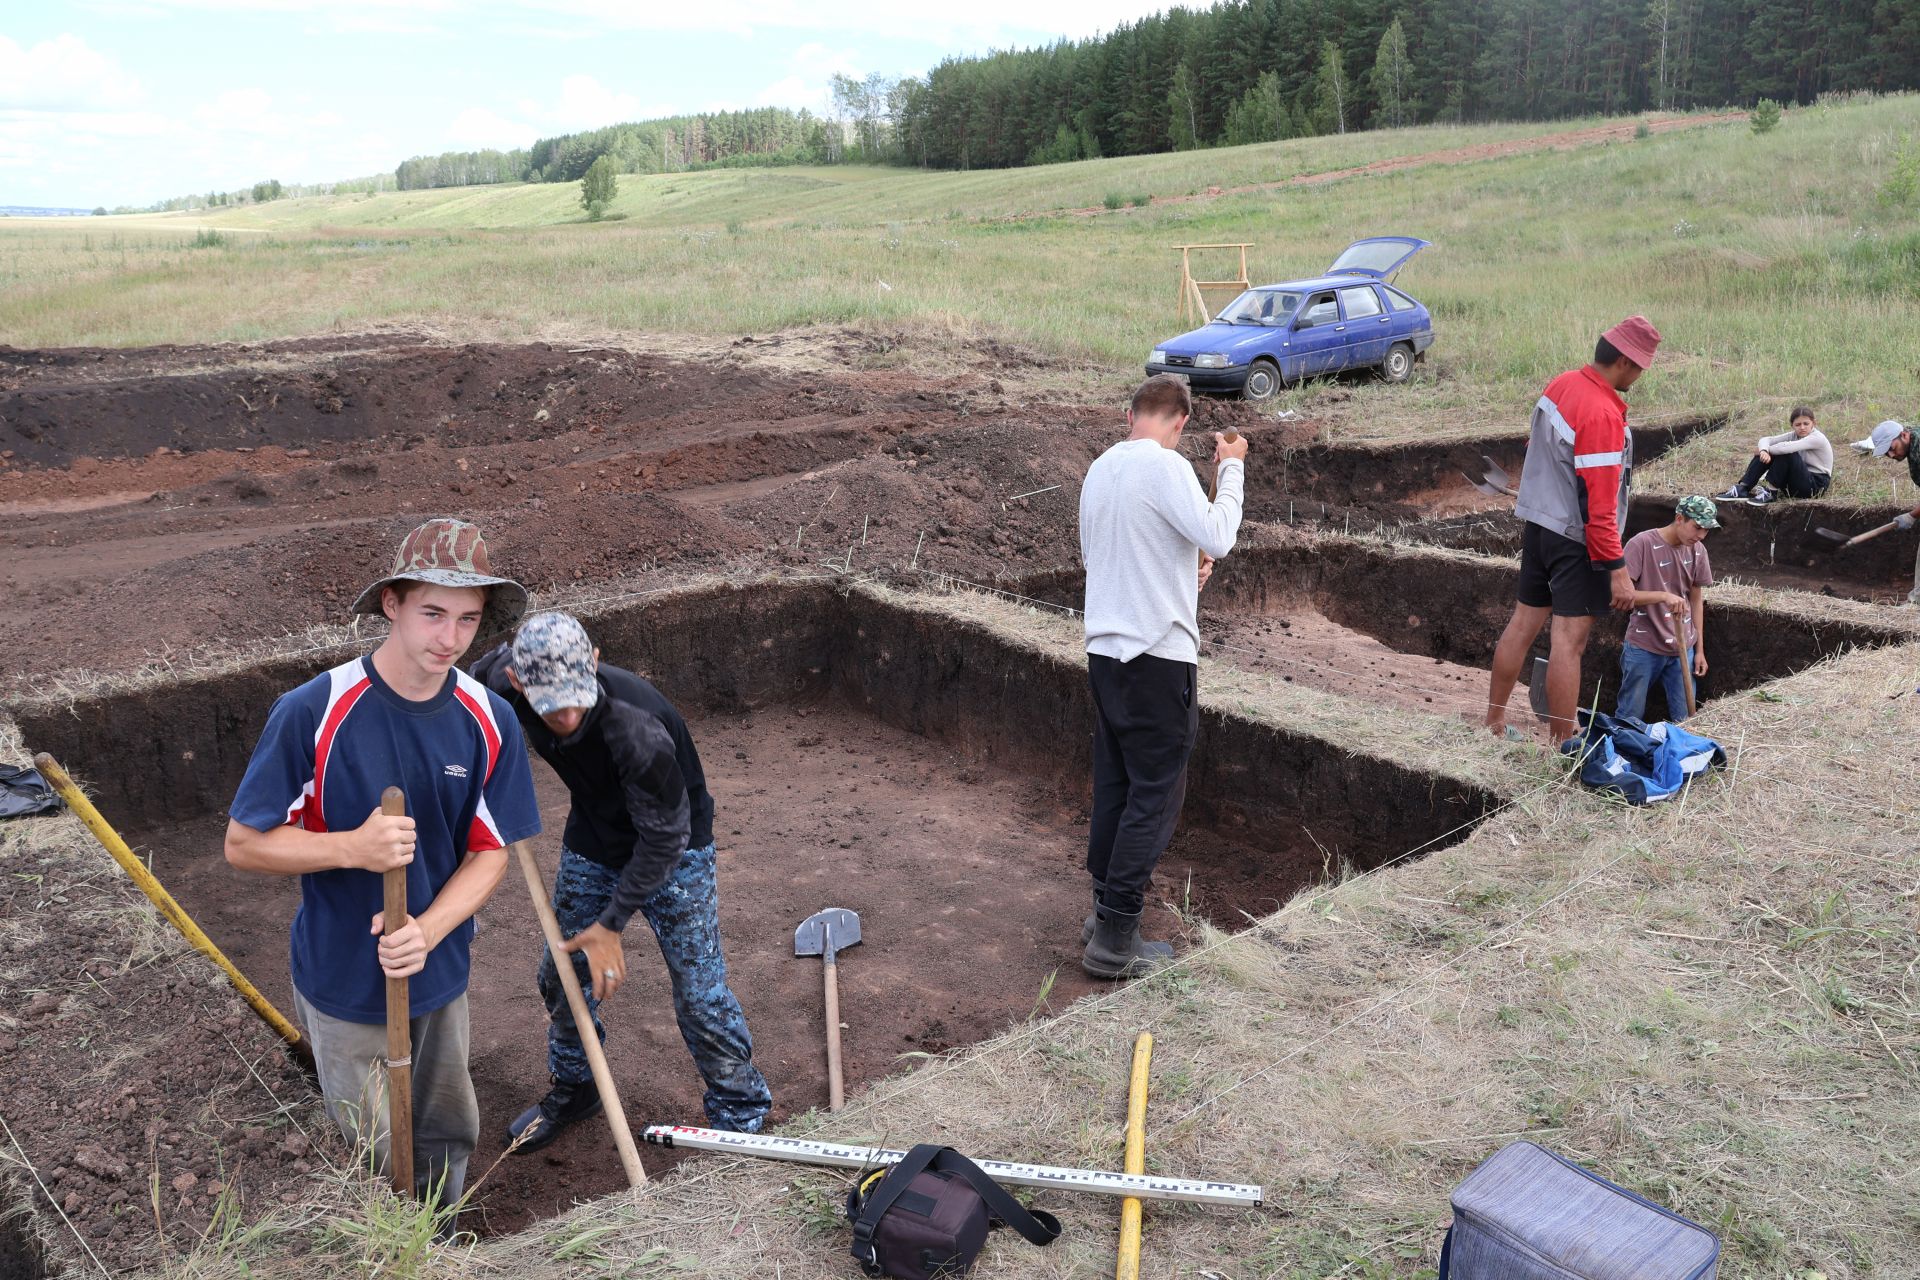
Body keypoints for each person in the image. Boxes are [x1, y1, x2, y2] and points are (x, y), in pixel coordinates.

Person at [224, 518, 540, 1205]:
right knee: (367, 1148)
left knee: (446, 1130)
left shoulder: (490, 718)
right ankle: (389, 1251)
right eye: (432, 612)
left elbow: (490, 855)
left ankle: (444, 1236)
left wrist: (427, 931)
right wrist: (351, 848)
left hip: (438, 972)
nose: (449, 638)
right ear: (391, 604)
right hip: (343, 978)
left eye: (467, 619)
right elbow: (244, 842)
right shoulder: (315, 710)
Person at [471, 612, 772, 1145]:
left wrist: (611, 924)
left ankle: (740, 1111)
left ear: (593, 660)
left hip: (675, 850)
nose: (565, 714)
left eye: (575, 696)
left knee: (700, 994)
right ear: (517, 682)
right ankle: (577, 1086)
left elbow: (663, 840)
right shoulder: (500, 680)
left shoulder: (637, 729)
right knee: (562, 975)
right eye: (549, 703)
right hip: (594, 837)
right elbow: (460, 703)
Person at [1078, 373, 1247, 979]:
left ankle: (1102, 913)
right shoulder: (1167, 466)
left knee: (1117, 785)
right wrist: (1231, 469)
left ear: (1131, 417)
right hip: (1157, 659)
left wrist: (1181, 572)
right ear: (1179, 423)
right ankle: (1116, 936)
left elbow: (1104, 558)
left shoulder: (1099, 472)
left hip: (1105, 656)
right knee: (1155, 792)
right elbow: (1220, 537)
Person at [1486, 316, 1662, 744]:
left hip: (1540, 524)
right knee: (1570, 641)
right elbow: (1599, 509)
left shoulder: (1561, 384)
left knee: (1524, 622)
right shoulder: (1601, 412)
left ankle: (1492, 722)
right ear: (1624, 361)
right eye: (1640, 369)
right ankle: (1564, 745)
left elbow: (1535, 449)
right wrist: (1617, 569)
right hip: (1576, 539)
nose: (1639, 378)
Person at [1616, 496, 1717, 722]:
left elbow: (1696, 601)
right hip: (1644, 646)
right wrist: (1663, 596)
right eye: (1697, 527)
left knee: (1685, 720)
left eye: (1706, 530)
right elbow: (1620, 596)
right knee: (1629, 718)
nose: (1701, 535)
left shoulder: (1698, 551)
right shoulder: (1641, 544)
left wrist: (1699, 650)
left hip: (1684, 648)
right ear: (1679, 519)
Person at [1717, 406, 1831, 505]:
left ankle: (1771, 493)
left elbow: (1786, 448)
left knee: (1786, 453)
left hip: (1815, 486)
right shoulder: (1793, 435)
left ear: (1813, 423)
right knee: (1767, 453)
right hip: (1798, 482)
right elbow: (1766, 439)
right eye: (1798, 424)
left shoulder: (1817, 438)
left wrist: (1766, 450)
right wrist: (1763, 451)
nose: (1802, 427)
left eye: (1806, 424)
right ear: (1792, 425)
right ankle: (1743, 488)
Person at [1859, 419, 1920, 606]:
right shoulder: (1913, 447)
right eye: (1886, 452)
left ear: (1903, 435)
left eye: (1892, 448)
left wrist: (1912, 515)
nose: (1891, 454)